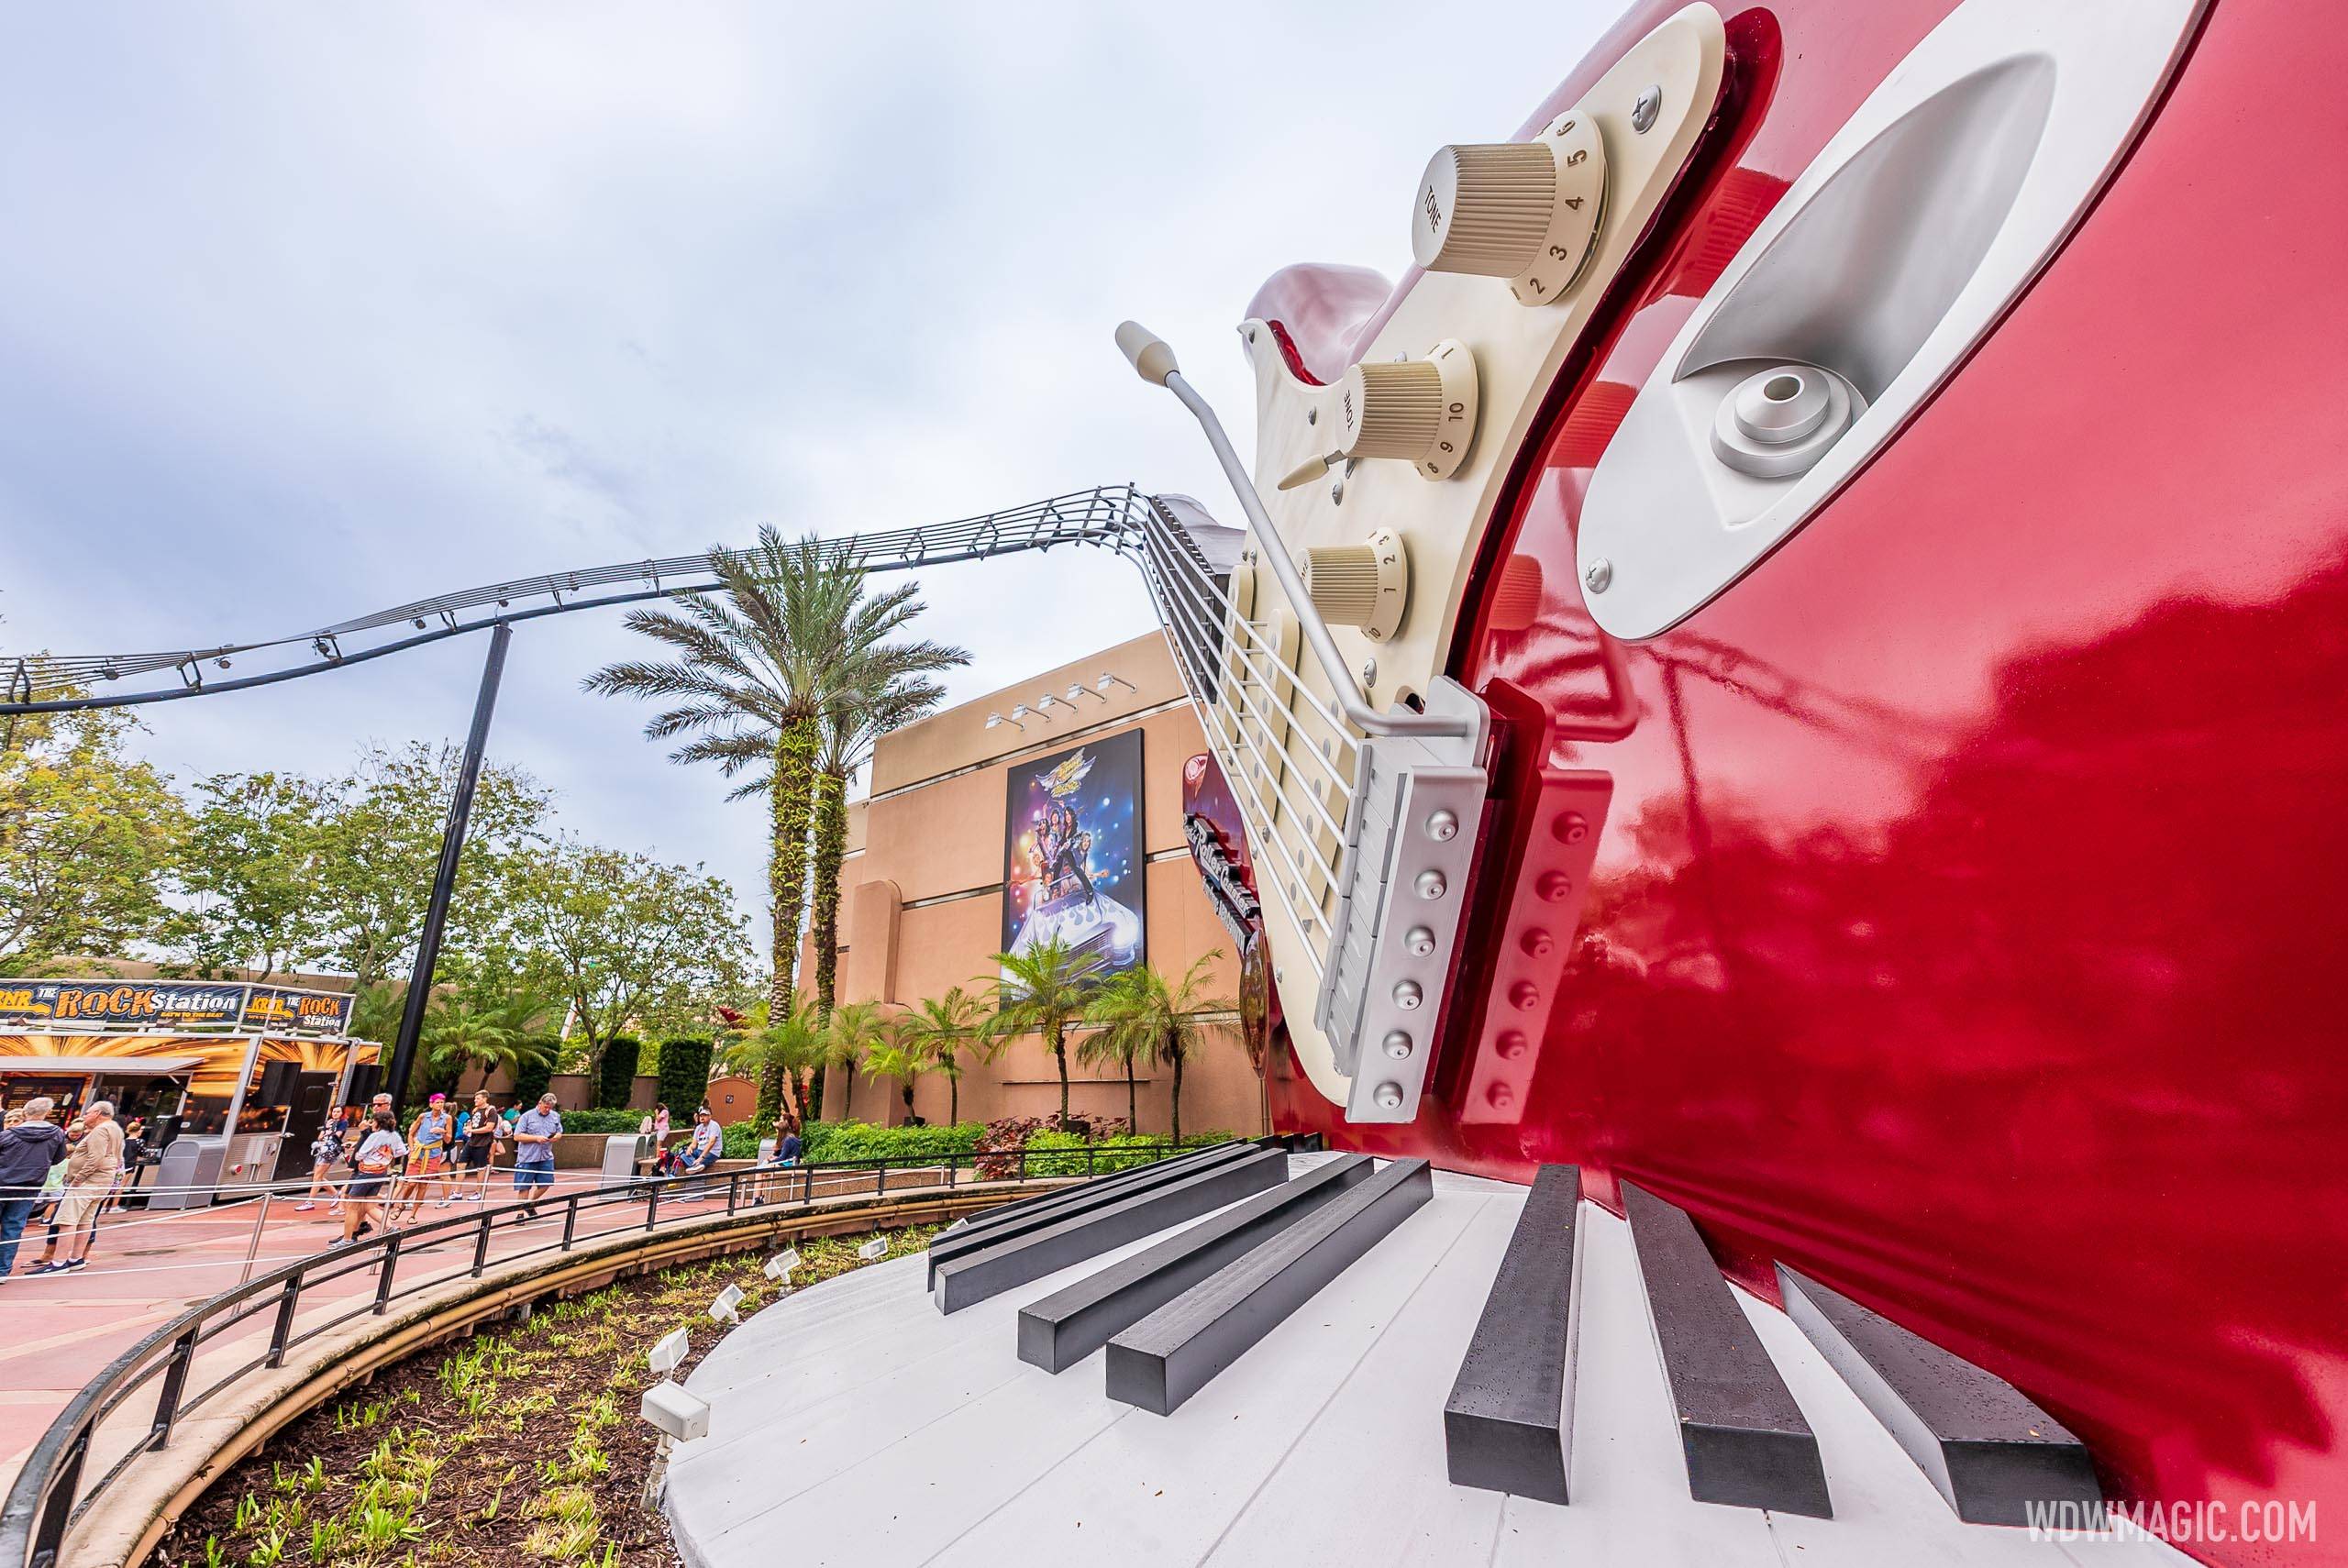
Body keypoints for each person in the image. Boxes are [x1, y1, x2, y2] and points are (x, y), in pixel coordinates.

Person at [40, 1101, 124, 1274]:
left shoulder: (101, 1130)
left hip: (89, 1182)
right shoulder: (114, 1128)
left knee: (67, 1220)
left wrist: (78, 1179)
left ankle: (59, 1262)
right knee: (86, 1220)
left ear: (98, 1113)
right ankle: (76, 1258)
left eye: (88, 1112)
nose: (85, 1115)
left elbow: (95, 1158)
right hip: (102, 1181)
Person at [0, 1098, 66, 1280]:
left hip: (3, 1183)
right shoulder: (57, 1134)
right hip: (30, 1185)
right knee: (13, 1228)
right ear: (46, 1113)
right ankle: (2, 1270)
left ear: (25, 1113)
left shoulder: (8, 1135)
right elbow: (58, 1159)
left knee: (12, 1227)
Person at [341, 1110, 405, 1242]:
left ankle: (347, 1239)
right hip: (381, 1172)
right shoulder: (395, 1136)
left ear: (377, 1123)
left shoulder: (375, 1137)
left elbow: (360, 1154)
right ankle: (390, 1228)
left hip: (367, 1173)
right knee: (368, 1205)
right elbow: (401, 1152)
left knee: (352, 1206)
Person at [391, 1094, 454, 1220]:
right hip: (418, 1153)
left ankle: (413, 1214)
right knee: (411, 1183)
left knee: (423, 1185)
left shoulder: (447, 1118)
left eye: (442, 1102)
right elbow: (411, 1133)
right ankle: (401, 1206)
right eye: (437, 1102)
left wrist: (442, 1131)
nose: (440, 1105)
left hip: (433, 1154)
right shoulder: (423, 1116)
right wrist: (412, 1148)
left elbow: (448, 1139)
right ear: (431, 1104)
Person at [509, 1093, 563, 1214]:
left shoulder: (555, 1116)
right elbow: (517, 1136)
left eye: (550, 1107)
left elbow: (559, 1131)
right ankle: (520, 1214)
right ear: (540, 1103)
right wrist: (536, 1138)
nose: (547, 1109)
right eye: (546, 1106)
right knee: (524, 1187)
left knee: (546, 1183)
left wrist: (557, 1136)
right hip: (528, 1156)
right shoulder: (527, 1116)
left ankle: (530, 1203)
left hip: (546, 1156)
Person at [296, 1108, 351, 1212]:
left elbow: (336, 1136)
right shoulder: (328, 1122)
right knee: (318, 1176)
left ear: (342, 1113)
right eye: (334, 1112)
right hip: (322, 1149)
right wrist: (326, 1128)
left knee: (317, 1177)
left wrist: (329, 1131)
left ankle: (310, 1202)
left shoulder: (343, 1123)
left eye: (338, 1112)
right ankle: (336, 1194)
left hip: (331, 1151)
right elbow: (320, 1137)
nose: (335, 1114)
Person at [454, 1092, 503, 1201]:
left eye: (478, 1098)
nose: (475, 1100)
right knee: (460, 1164)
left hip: (483, 1143)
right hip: (471, 1141)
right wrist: (468, 1129)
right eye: (475, 1098)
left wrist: (472, 1130)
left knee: (481, 1168)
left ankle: (478, 1192)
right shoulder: (475, 1110)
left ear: (485, 1099)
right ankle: (457, 1192)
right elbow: (472, 1124)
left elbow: (489, 1128)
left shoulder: (491, 1111)